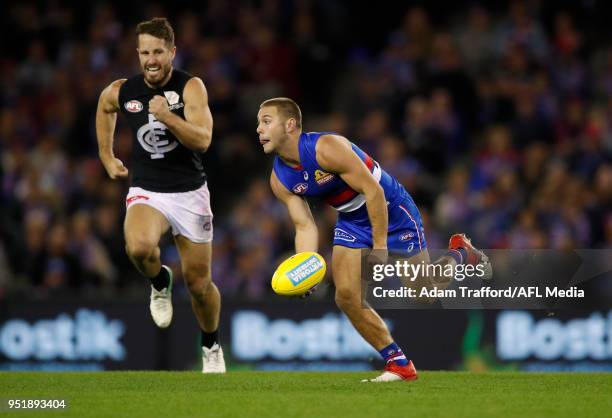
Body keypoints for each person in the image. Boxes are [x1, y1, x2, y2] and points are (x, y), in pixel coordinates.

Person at [257, 97, 491, 382]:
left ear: (290, 124)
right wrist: (305, 266)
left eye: (266, 121)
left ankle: (460, 252)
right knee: (346, 297)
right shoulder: (279, 179)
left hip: (392, 211)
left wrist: (379, 248)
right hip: (352, 221)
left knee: (424, 293)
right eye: (259, 123)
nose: (259, 128)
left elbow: (374, 192)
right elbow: (304, 226)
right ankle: (398, 364)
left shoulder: (326, 148)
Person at [96, 17, 224, 373]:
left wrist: (168, 117)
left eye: (158, 52)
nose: (151, 59)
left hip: (190, 192)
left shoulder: (191, 87)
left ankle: (211, 344)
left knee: (200, 284)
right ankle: (159, 281)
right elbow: (105, 107)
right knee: (137, 247)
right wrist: (107, 156)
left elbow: (203, 140)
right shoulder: (125, 90)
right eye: (144, 52)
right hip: (147, 189)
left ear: (172, 52)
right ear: (138, 54)